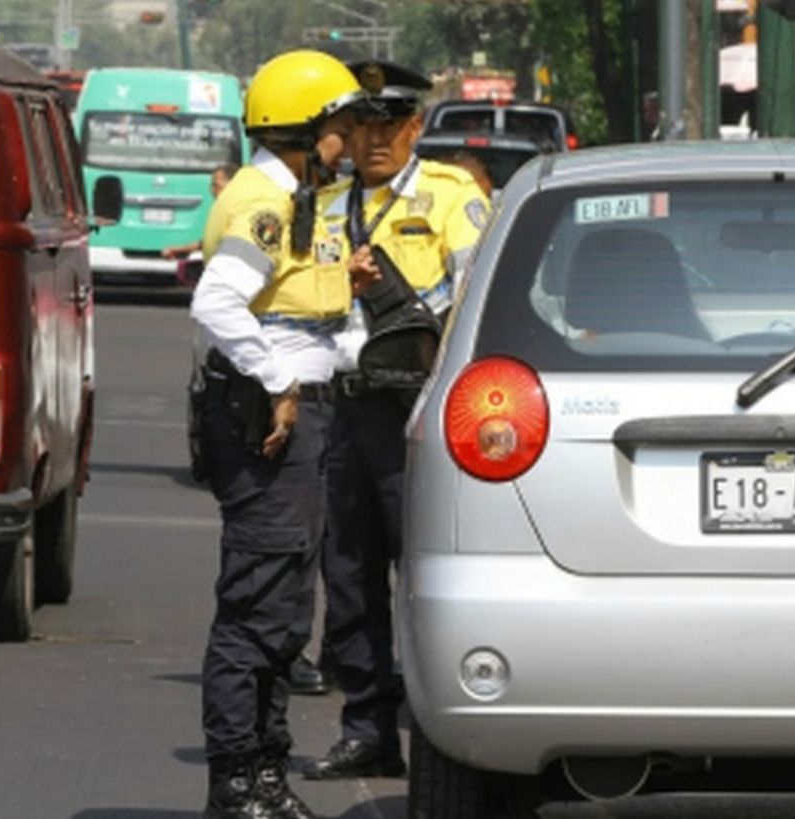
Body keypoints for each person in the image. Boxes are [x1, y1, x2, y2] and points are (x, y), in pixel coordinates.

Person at [302, 61, 491, 782]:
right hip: (342, 405)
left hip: (411, 408)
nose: (376, 140)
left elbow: (475, 297)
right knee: (348, 573)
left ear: (416, 127)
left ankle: (438, 731)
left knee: (421, 570)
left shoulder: (449, 197)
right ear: (344, 133)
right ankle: (366, 729)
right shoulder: (323, 205)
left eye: (391, 125)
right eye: (362, 125)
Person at [189, 49, 362, 819]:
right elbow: (217, 303)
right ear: (305, 129)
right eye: (340, 126)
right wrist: (279, 381)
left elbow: (301, 313)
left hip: (304, 414)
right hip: (268, 417)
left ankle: (264, 774)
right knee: (257, 603)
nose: (349, 141)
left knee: (287, 608)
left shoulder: (297, 197)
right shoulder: (263, 200)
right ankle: (235, 783)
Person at [162, 163, 240, 260]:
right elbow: (206, 242)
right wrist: (178, 250)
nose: (211, 190)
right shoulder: (221, 209)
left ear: (231, 185)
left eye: (216, 186)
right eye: (211, 186)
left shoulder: (237, 211)